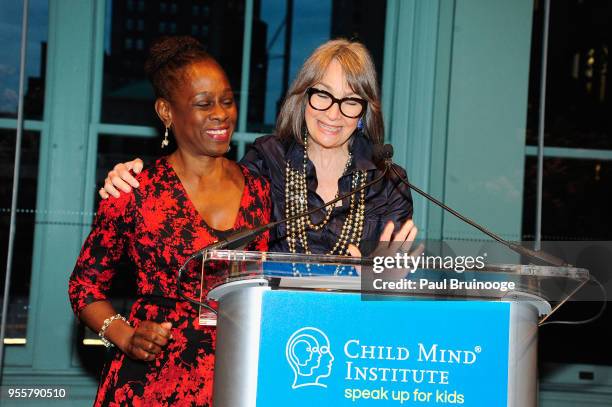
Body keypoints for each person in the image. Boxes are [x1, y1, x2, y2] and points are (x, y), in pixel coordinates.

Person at [68, 36, 270, 406]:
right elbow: (84, 288)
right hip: (151, 384)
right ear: (166, 112)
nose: (221, 114)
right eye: (203, 104)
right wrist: (125, 335)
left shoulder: (259, 190)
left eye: (227, 101)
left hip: (237, 377)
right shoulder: (134, 191)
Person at [100, 39, 416, 257]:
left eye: (350, 101)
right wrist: (141, 177)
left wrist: (379, 281)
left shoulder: (388, 184)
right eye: (323, 95)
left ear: (364, 111)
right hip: (268, 329)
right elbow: (206, 197)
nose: (334, 113)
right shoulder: (267, 160)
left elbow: (389, 297)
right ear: (302, 97)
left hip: (350, 337)